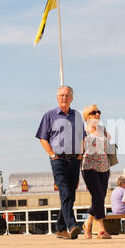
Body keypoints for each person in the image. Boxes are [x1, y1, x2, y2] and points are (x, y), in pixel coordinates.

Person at [35, 86, 85, 240]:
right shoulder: (49, 116)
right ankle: (72, 225)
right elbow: (43, 137)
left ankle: (60, 228)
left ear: (72, 98)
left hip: (74, 159)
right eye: (62, 95)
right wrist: (51, 154)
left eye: (67, 95)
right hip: (58, 160)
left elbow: (82, 136)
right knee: (65, 192)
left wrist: (80, 155)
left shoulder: (77, 115)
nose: (64, 97)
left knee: (71, 194)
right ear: (57, 98)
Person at [81, 104, 112, 239]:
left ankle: (87, 224)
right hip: (88, 167)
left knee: (100, 197)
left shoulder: (103, 129)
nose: (97, 114)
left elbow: (108, 144)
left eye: (98, 112)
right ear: (87, 116)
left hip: (104, 167)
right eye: (94, 112)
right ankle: (101, 229)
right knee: (98, 195)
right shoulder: (83, 131)